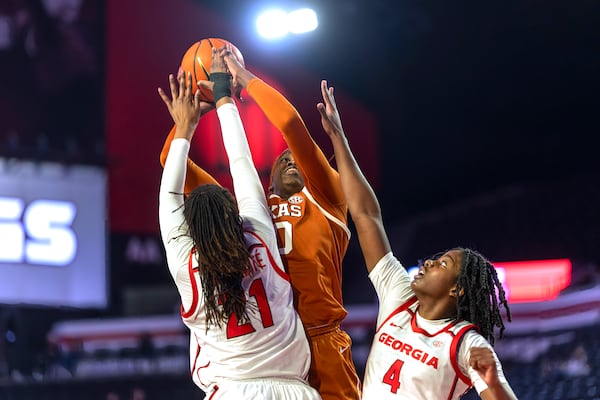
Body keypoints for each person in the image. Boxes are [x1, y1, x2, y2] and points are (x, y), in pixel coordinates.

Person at [159, 46, 361, 399]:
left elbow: (289, 125)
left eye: (298, 156)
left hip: (320, 340)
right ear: (263, 181)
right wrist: (204, 104)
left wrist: (241, 81)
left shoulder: (328, 197)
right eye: (284, 157)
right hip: (267, 345)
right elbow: (171, 161)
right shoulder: (251, 217)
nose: (292, 158)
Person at [316, 79, 518, 400]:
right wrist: (339, 138)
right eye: (435, 258)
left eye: (442, 263)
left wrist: (494, 384)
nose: (427, 262)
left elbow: (497, 391)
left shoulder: (465, 343)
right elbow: (367, 216)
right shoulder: (399, 296)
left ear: (457, 288)